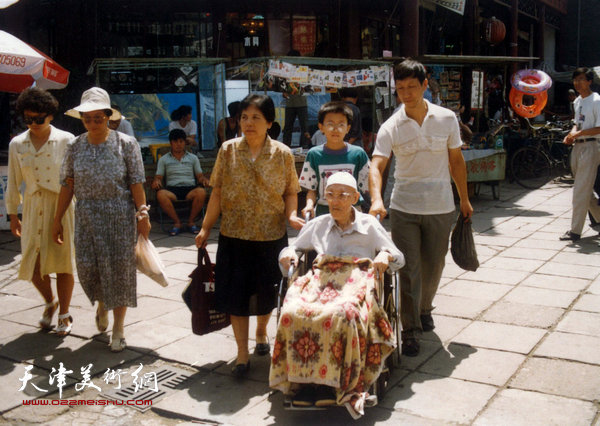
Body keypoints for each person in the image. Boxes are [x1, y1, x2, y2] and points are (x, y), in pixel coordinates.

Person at [272, 172, 404, 413]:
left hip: (356, 280)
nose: (335, 201)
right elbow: (294, 248)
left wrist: (385, 255)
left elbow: (399, 258)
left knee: (343, 313)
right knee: (292, 311)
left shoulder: (369, 225)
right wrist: (288, 255)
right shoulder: (317, 225)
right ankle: (302, 382)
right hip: (321, 280)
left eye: (342, 196)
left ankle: (335, 384)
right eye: (330, 195)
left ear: (354, 197)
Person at [195, 94, 304, 377]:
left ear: (269, 122)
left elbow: (290, 191)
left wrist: (292, 215)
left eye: (256, 117)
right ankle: (242, 354)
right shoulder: (228, 150)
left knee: (267, 293)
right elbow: (217, 191)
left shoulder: (282, 154)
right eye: (244, 117)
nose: (249, 122)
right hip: (235, 235)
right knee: (236, 297)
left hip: (271, 236)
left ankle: (261, 331)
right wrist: (206, 227)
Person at [369, 59, 473, 357]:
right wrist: (377, 198)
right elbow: (377, 164)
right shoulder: (391, 126)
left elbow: (456, 161)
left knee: (434, 265)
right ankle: (411, 327)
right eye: (400, 88)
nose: (406, 93)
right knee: (408, 268)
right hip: (404, 207)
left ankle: (425, 307)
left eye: (411, 87)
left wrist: (464, 199)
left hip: (441, 206)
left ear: (425, 85)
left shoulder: (446, 118)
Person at [52, 87, 150, 352]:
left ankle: (118, 327)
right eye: (87, 118)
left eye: (99, 118)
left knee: (119, 272)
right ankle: (102, 303)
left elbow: (136, 182)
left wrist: (142, 213)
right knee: (87, 267)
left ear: (109, 117)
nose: (93, 123)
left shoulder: (126, 144)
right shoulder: (75, 146)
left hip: (119, 216)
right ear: (81, 119)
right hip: (86, 216)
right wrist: (57, 218)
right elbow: (67, 185)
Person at [5, 87, 76, 336]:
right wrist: (13, 213)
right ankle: (50, 302)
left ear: (50, 116)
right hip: (33, 207)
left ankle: (65, 313)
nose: (34, 123)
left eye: (39, 118)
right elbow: (13, 180)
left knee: (63, 263)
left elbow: (75, 178)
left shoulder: (67, 140)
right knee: (32, 265)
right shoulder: (17, 144)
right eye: (29, 119)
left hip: (62, 205)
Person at [299, 101, 370, 218]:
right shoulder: (314, 155)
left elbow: (368, 187)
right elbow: (312, 189)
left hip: (352, 215)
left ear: (348, 128)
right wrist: (309, 205)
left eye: (341, 124)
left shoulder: (358, 154)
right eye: (330, 124)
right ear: (321, 127)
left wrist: (376, 203)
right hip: (324, 215)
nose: (336, 129)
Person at [560, 67, 600, 241]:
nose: (577, 83)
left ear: (589, 81)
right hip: (578, 147)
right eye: (575, 80)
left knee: (579, 190)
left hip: (592, 146)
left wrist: (579, 134)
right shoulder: (577, 101)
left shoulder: (597, 100)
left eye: (581, 79)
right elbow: (577, 124)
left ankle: (575, 231)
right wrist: (571, 134)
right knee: (586, 190)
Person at [152, 129, 209, 235]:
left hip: (190, 189)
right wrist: (156, 181)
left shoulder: (193, 158)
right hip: (172, 190)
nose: (178, 144)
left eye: (181, 141)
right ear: (171, 143)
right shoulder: (164, 159)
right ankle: (177, 223)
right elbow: (158, 177)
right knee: (160, 194)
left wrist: (204, 179)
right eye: (175, 142)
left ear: (184, 143)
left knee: (201, 192)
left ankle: (191, 222)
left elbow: (199, 176)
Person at [282, 50, 310, 148]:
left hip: (301, 102)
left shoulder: (303, 69)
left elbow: (307, 86)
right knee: (288, 127)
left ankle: (304, 146)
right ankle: (286, 146)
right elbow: (282, 86)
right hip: (290, 102)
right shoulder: (286, 70)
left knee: (304, 127)